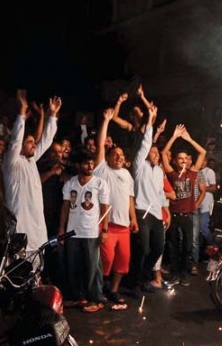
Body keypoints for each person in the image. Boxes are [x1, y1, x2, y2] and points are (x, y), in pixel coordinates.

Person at [3, 90, 62, 254]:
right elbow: (15, 139)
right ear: (20, 146)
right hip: (20, 225)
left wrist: (53, 115)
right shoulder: (12, 162)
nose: (34, 145)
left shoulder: (31, 161)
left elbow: (46, 140)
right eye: (29, 142)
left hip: (36, 226)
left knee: (36, 266)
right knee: (16, 269)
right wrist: (22, 112)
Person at [93, 109, 139, 304]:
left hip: (124, 227)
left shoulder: (127, 175)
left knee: (123, 262)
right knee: (106, 260)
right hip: (107, 225)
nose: (119, 157)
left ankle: (113, 290)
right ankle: (99, 288)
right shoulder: (102, 170)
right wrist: (105, 121)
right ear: (109, 158)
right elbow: (100, 146)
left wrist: (134, 219)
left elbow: (129, 198)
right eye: (115, 154)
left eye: (121, 155)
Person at [58, 150, 110, 313]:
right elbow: (65, 207)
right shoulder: (70, 183)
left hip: (91, 232)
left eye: (92, 163)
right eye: (87, 163)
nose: (90, 166)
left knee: (92, 267)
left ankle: (96, 298)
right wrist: (61, 230)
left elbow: (105, 208)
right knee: (73, 265)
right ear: (78, 165)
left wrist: (105, 230)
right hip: (72, 232)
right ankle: (77, 297)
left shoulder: (99, 183)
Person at [131, 104, 174, 293]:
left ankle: (143, 276)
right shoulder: (139, 166)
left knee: (158, 249)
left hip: (157, 214)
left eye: (158, 153)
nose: (156, 155)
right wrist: (150, 121)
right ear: (147, 154)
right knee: (145, 249)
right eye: (153, 152)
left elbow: (160, 193)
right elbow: (146, 143)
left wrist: (165, 210)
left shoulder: (159, 171)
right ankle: (136, 281)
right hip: (142, 211)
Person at [161, 124, 206, 286]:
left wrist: (189, 139)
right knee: (173, 247)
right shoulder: (172, 173)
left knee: (187, 246)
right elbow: (163, 154)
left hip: (188, 214)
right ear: (175, 160)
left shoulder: (192, 173)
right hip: (173, 215)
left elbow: (203, 152)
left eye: (186, 158)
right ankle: (174, 274)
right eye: (180, 158)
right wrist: (174, 137)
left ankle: (183, 274)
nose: (184, 161)